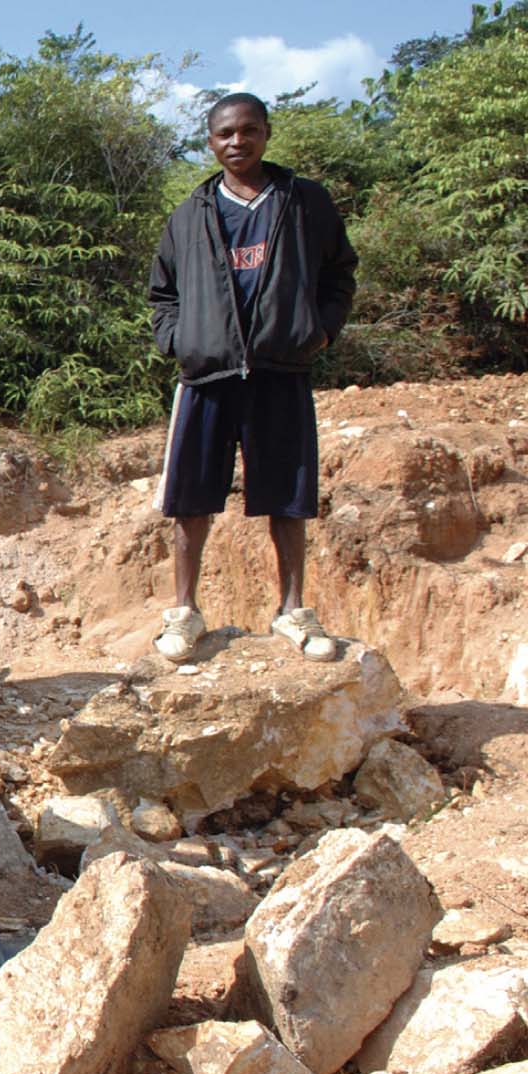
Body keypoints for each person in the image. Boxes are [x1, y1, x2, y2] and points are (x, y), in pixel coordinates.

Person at [148, 92, 357, 664]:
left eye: (247, 131)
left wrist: (321, 331)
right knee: (189, 498)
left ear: (266, 133)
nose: (236, 142)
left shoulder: (304, 202)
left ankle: (293, 610)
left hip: (279, 370)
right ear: (210, 142)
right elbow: (162, 294)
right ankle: (184, 612)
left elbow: (340, 274)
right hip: (207, 375)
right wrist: (180, 341)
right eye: (224, 134)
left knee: (287, 497)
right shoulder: (190, 214)